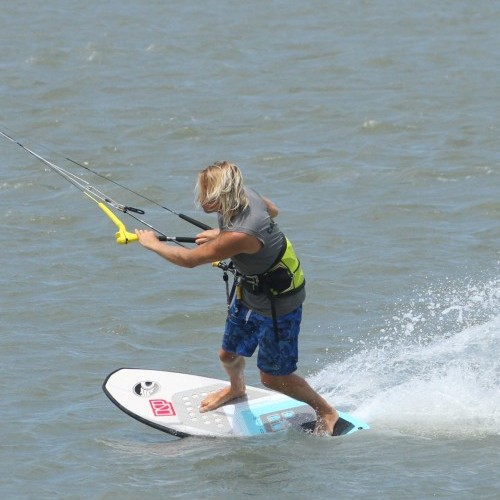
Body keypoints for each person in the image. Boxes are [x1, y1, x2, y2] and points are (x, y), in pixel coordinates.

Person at [135, 161, 339, 435]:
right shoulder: (246, 195)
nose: (203, 200)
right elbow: (273, 211)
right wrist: (223, 234)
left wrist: (153, 244)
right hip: (251, 290)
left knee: (273, 378)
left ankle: (325, 410)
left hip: (279, 303)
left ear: (226, 192)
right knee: (227, 353)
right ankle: (236, 388)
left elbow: (188, 260)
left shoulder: (241, 233)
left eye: (209, 194)